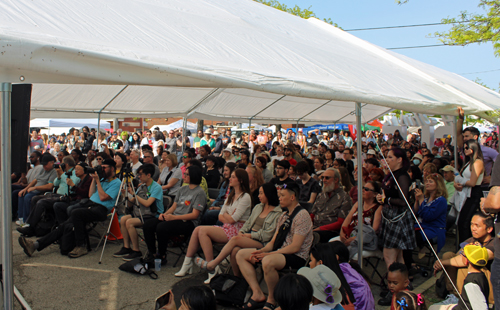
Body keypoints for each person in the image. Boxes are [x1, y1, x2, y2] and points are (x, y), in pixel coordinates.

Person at [19, 159, 121, 258]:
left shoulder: (116, 183)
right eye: (101, 167)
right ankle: (35, 245)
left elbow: (103, 198)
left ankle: (81, 246)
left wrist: (98, 181)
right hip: (89, 204)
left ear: (112, 169)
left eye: (104, 168)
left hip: (101, 209)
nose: (102, 170)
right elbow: (90, 194)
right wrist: (95, 179)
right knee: (64, 225)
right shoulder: (102, 180)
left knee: (76, 212)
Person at [236, 182, 313, 310]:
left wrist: (268, 254)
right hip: (280, 252)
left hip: (296, 256)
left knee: (267, 261)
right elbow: (273, 242)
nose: (279, 198)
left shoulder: (302, 215)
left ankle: (272, 299)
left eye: (282, 195)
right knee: (241, 254)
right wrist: (261, 251)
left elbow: (295, 247)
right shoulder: (284, 215)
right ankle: (257, 293)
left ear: (292, 197)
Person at [175, 169, 252, 278]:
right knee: (199, 230)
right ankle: (189, 264)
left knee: (202, 230)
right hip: (227, 227)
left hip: (237, 231)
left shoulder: (245, 197)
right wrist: (228, 216)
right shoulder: (231, 195)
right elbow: (221, 216)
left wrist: (227, 216)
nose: (230, 178)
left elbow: (232, 219)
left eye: (233, 177)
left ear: (241, 180)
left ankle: (211, 268)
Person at [194, 183, 282, 275]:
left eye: (261, 193)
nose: (258, 196)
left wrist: (250, 235)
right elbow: (248, 223)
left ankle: (212, 264)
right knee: (235, 250)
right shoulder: (258, 207)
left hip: (261, 242)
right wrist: (242, 232)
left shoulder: (277, 213)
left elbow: (267, 235)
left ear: (268, 194)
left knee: (235, 239)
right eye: (259, 193)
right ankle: (237, 277)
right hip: (249, 237)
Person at [140, 165, 206, 265]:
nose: (184, 175)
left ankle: (161, 255)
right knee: (148, 225)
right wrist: (164, 214)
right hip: (174, 217)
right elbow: (174, 207)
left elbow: (194, 215)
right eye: (185, 173)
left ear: (193, 176)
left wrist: (174, 217)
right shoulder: (182, 189)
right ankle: (152, 253)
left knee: (161, 227)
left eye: (187, 174)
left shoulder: (200, 193)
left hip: (188, 222)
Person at [433, 213, 495, 305]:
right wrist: (444, 262)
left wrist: (442, 263)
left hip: (488, 285)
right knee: (448, 255)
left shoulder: (494, 244)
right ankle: (454, 295)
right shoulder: (473, 239)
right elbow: (458, 255)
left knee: (466, 263)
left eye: (477, 225)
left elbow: (464, 260)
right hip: (473, 280)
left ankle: (463, 299)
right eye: (471, 224)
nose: (473, 228)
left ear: (489, 229)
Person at [17, 156, 80, 237]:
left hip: (65, 197)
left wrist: (62, 174)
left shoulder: (75, 173)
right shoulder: (63, 172)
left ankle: (30, 227)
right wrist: (59, 175)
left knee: (41, 202)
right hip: (56, 194)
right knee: (34, 199)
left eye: (62, 164)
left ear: (66, 164)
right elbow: (56, 184)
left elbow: (72, 185)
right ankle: (34, 225)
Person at [113, 164, 164, 261]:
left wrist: (134, 195)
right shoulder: (142, 186)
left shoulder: (156, 187)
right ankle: (126, 247)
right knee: (123, 219)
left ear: (148, 175)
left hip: (153, 215)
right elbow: (132, 203)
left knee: (130, 222)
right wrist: (126, 195)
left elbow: (147, 203)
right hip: (141, 212)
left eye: (141, 174)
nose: (139, 177)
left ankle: (136, 250)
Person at [376, 148, 415, 269]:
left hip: (397, 218)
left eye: (390, 157)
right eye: (386, 157)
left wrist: (385, 200)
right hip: (390, 216)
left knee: (389, 256)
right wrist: (381, 197)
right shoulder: (391, 175)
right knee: (398, 258)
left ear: (399, 160)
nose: (387, 160)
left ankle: (393, 282)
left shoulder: (402, 176)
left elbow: (403, 201)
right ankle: (402, 283)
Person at [309, 243, 373, 310]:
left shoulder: (332, 284)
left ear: (320, 263)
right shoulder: (343, 272)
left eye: (311, 260)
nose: (309, 263)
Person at [429, 245, 489, 310]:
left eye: (462, 254)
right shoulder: (481, 275)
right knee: (433, 307)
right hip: (461, 306)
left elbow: (481, 307)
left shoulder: (471, 282)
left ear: (466, 260)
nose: (460, 256)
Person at [310, 168, 352, 243]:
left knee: (313, 236)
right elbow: (312, 215)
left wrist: (320, 228)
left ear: (336, 180)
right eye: (323, 177)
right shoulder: (321, 195)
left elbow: (340, 223)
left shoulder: (345, 197)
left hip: (331, 232)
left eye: (327, 178)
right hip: (314, 228)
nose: (324, 180)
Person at [454, 139, 484, 243]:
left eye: (467, 148)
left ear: (473, 148)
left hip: (474, 194)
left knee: (465, 223)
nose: (465, 150)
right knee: (462, 223)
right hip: (466, 193)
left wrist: (460, 180)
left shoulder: (478, 162)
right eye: (464, 148)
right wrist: (457, 183)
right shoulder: (469, 162)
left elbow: (472, 182)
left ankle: (465, 247)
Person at [16, 154, 58, 226]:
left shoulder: (54, 171)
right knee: (21, 194)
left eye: (46, 165)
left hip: (42, 190)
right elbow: (35, 180)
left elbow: (49, 186)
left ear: (52, 162)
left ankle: (27, 220)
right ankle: (21, 217)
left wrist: (35, 188)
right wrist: (25, 189)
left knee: (28, 197)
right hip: (34, 189)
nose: (44, 167)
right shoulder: (43, 169)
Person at [339, 181, 382, 247]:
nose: (363, 190)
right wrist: (342, 234)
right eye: (363, 188)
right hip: (349, 235)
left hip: (364, 240)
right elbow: (347, 220)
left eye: (366, 189)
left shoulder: (378, 208)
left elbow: (374, 230)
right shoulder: (358, 204)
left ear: (375, 194)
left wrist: (355, 239)